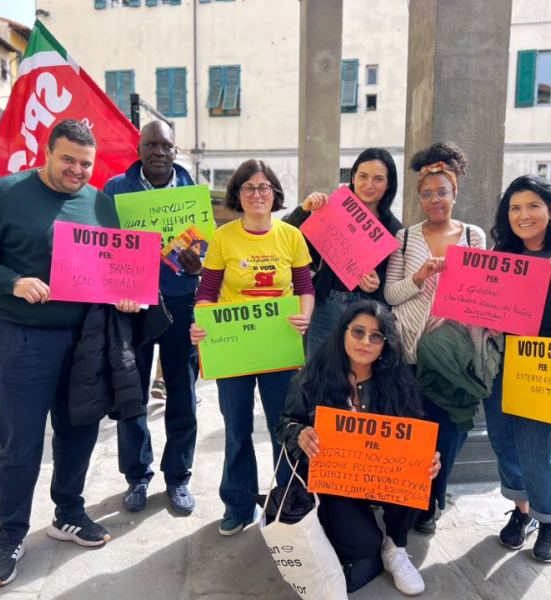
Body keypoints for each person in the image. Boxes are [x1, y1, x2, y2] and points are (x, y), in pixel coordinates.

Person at [0, 119, 141, 588]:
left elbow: (115, 266)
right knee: (20, 440)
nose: (77, 170)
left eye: (85, 163)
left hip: (86, 339)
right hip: (21, 337)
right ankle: (10, 532)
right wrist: (11, 281)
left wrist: (126, 294)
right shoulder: (4, 194)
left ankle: (69, 512)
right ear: (47, 152)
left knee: (80, 428)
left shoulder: (101, 203)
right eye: (68, 159)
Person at [277, 300, 441, 596]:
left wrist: (429, 458)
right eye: (358, 332)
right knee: (363, 545)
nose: (366, 341)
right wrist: (299, 434)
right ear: (343, 333)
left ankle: (395, 547)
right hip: (335, 481)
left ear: (385, 345)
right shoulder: (312, 378)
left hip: (384, 477)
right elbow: (285, 423)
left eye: (376, 336)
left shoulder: (399, 382)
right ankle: (363, 538)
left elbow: (415, 435)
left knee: (418, 473)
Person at [190, 159, 315, 536]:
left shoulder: (291, 236)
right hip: (235, 349)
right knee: (237, 428)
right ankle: (238, 504)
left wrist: (304, 317)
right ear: (238, 194)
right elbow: (207, 291)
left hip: (279, 346)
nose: (256, 194)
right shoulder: (223, 237)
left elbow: (305, 287)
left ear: (274, 193)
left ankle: (288, 502)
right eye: (248, 187)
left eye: (263, 187)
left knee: (285, 427)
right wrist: (202, 324)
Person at [483, 175, 551, 562]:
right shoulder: (502, 253)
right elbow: (488, 304)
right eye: (515, 208)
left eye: (532, 206)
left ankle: (549, 520)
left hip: (545, 361)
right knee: (502, 439)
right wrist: (489, 319)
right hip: (502, 357)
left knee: (536, 446)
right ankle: (522, 511)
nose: (523, 215)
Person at [384, 142, 487, 535]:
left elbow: (485, 294)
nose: (434, 200)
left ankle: (433, 500)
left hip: (454, 354)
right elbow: (390, 295)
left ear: (454, 193)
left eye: (441, 192)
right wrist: (420, 276)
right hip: (409, 351)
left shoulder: (474, 237)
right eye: (426, 194)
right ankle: (410, 496)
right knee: (414, 428)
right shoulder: (404, 238)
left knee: (450, 430)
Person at [103, 119, 201, 515]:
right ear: (139, 148)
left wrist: (197, 267)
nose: (159, 152)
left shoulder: (192, 192)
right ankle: (137, 476)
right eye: (151, 145)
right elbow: (104, 247)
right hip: (133, 307)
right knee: (131, 395)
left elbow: (206, 252)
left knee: (183, 394)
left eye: (166, 146)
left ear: (175, 151)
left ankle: (178, 477)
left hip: (181, 304)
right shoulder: (115, 190)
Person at [284, 148, 402, 357]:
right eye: (363, 176)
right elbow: (287, 239)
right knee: (318, 367)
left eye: (378, 179)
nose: (369, 184)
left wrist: (378, 282)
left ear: (389, 184)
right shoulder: (330, 208)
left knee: (356, 370)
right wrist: (304, 209)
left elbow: (396, 283)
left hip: (366, 309)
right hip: (326, 303)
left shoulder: (394, 230)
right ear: (353, 177)